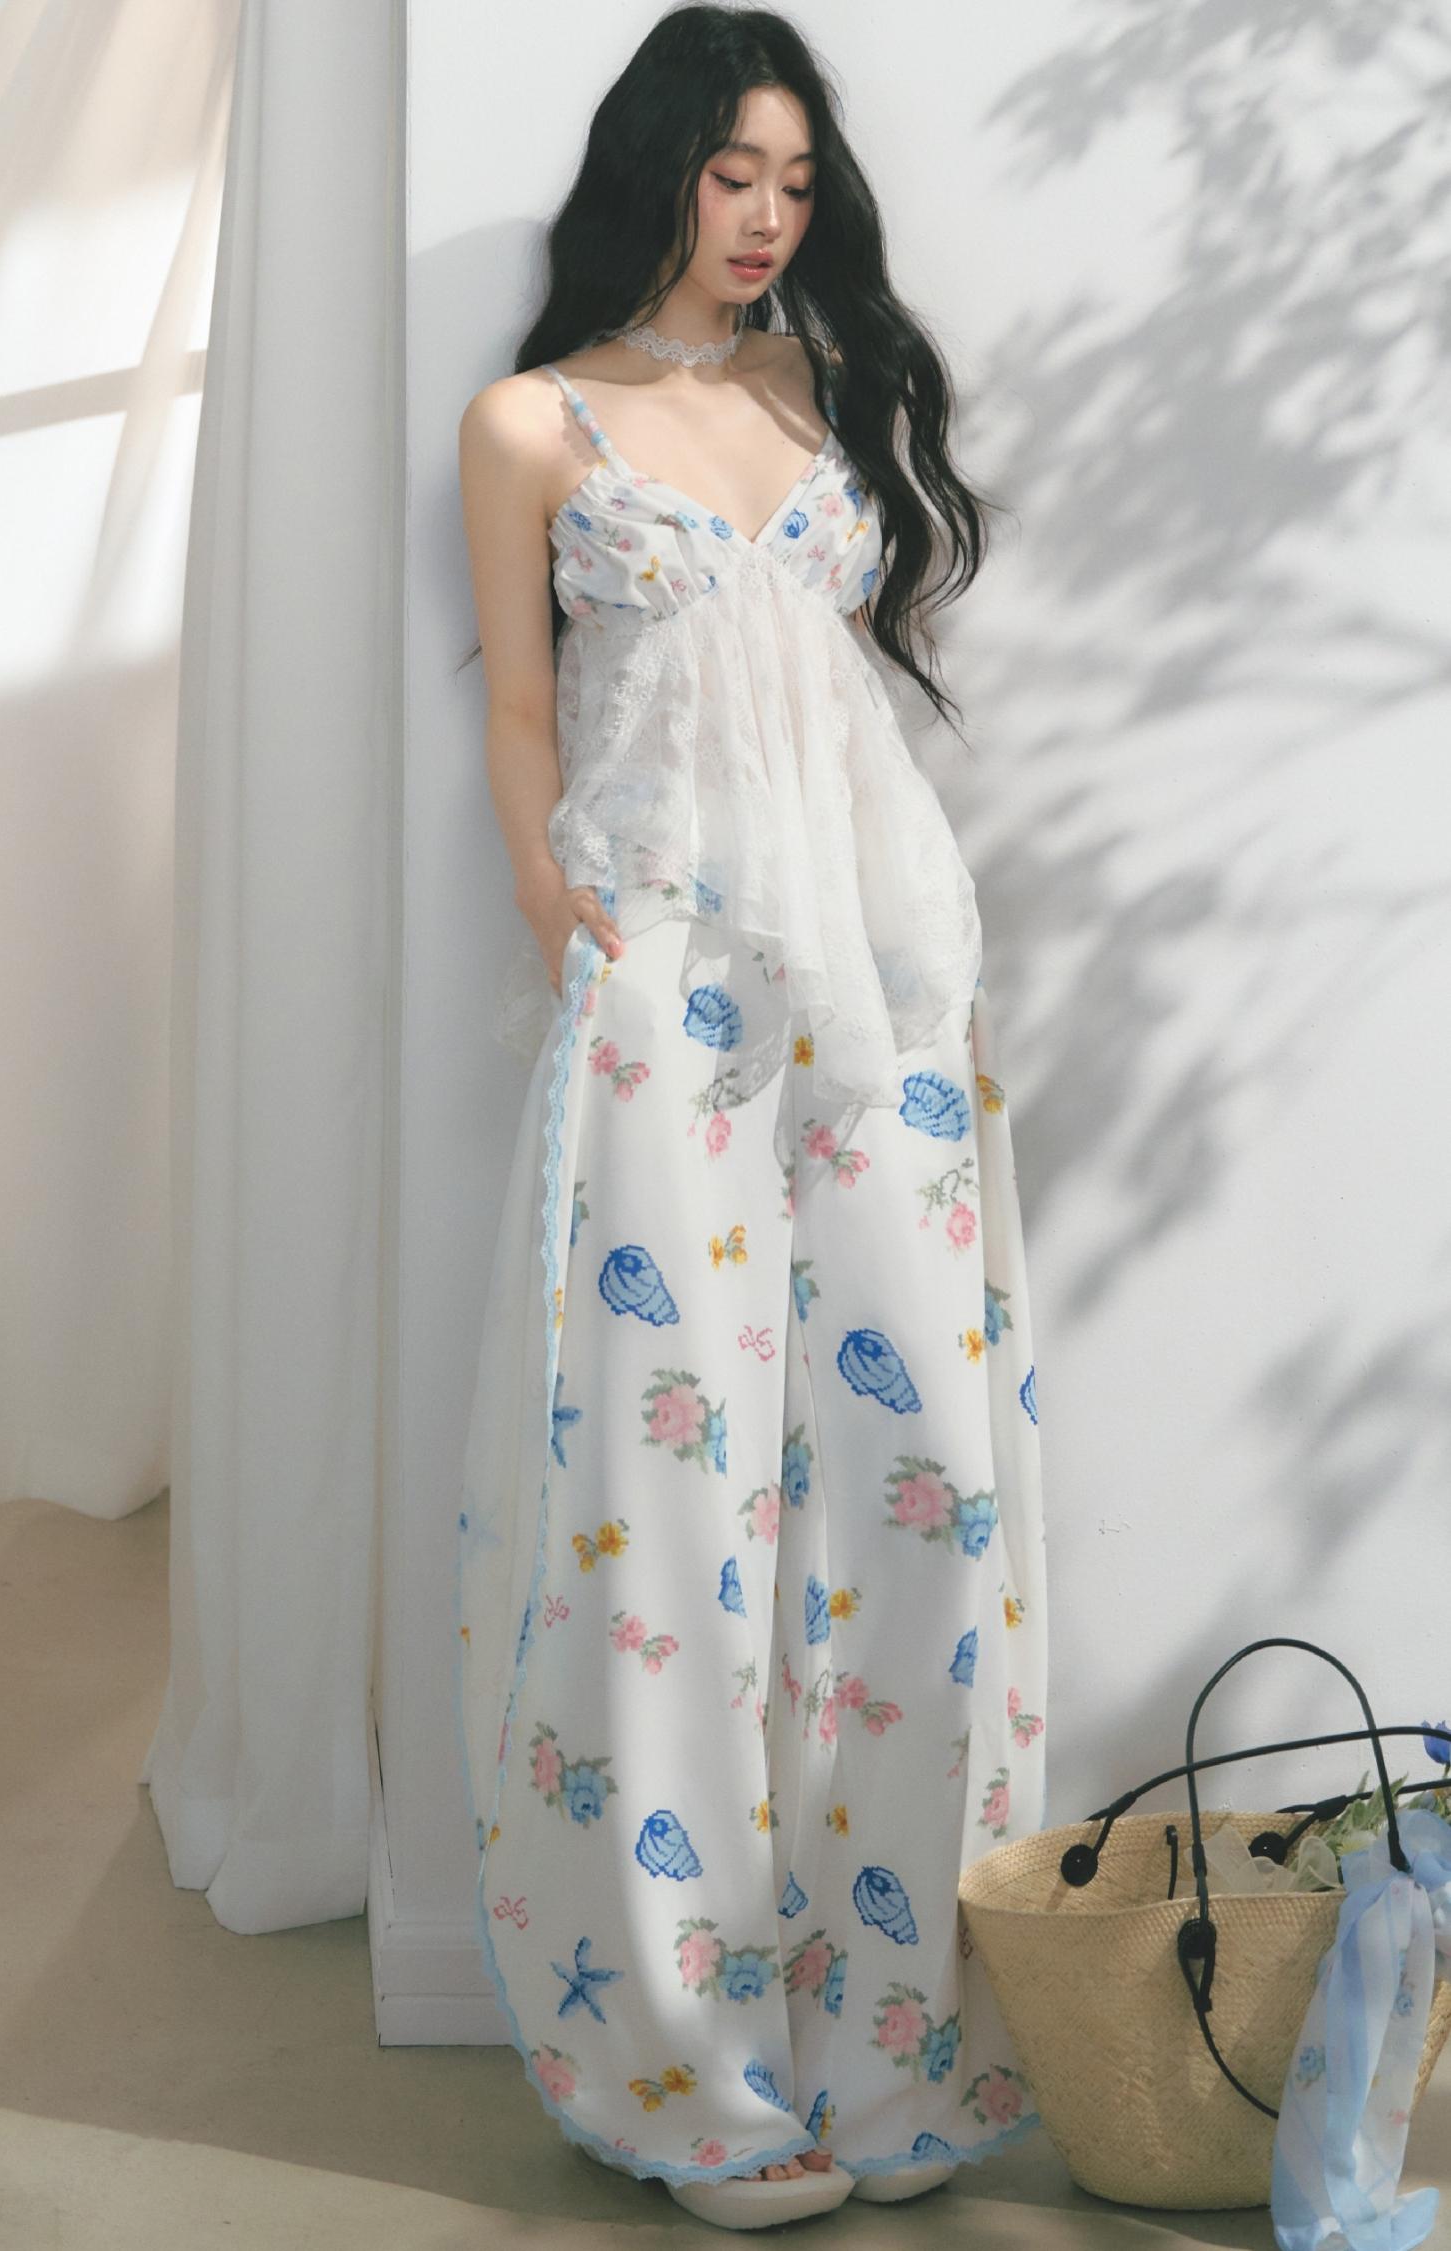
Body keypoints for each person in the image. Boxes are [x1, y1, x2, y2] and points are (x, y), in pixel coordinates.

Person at [453, 5, 1048, 2230]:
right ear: (659, 170)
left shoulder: (819, 387)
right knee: (665, 1526)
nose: (769, 215)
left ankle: (884, 2046)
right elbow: (525, 710)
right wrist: (566, 922)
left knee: (922, 1493)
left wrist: (933, 991)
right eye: (734, 174)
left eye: (796, 179)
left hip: (878, 1002)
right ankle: (689, 2073)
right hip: (669, 1002)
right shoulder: (531, 423)